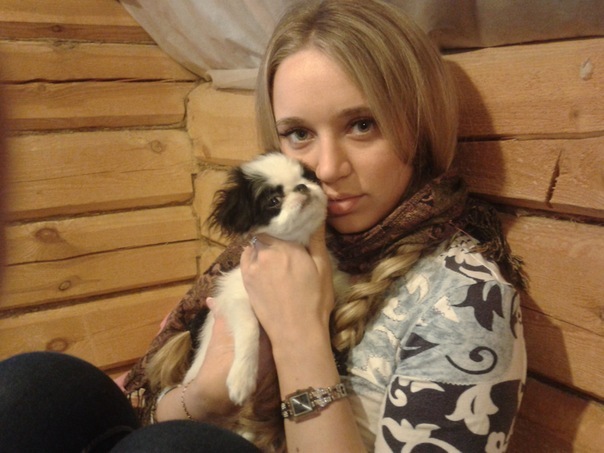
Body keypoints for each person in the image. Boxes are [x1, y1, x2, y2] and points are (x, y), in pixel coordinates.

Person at [0, 0, 526, 451]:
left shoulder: (464, 300)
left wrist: (299, 335)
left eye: (362, 125)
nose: (326, 169)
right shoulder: (273, 240)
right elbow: (156, 407)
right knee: (37, 388)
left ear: (422, 121)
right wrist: (204, 396)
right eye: (299, 134)